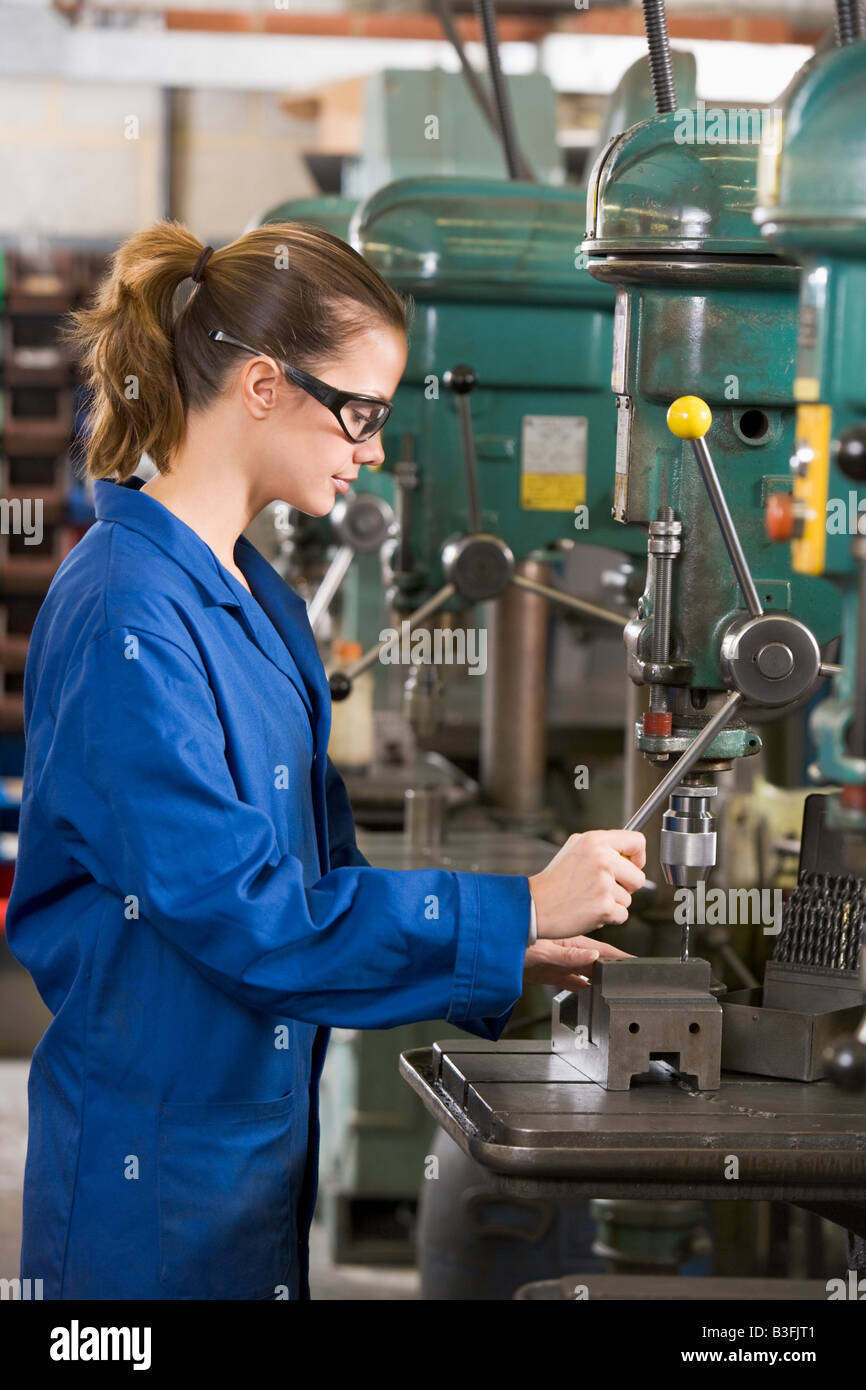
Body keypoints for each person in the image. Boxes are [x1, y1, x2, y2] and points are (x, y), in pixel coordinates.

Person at [5, 220, 646, 1301]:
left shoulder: (258, 600)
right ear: (262, 385)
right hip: (151, 1174)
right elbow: (245, 916)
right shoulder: (128, 610)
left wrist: (509, 951)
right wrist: (519, 901)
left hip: (247, 1154)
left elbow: (318, 889)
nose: (371, 449)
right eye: (359, 411)